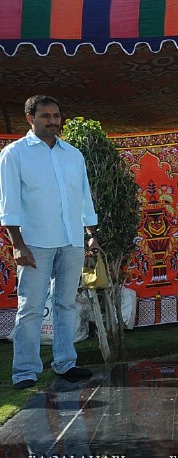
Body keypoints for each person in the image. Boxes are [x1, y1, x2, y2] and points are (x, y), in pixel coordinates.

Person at [0, 96, 98, 390]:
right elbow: (9, 204)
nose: (53, 121)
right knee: (30, 307)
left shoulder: (73, 154)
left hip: (71, 242)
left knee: (66, 304)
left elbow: (84, 198)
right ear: (30, 118)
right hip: (35, 243)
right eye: (45, 116)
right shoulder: (14, 154)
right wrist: (18, 244)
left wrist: (91, 234)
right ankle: (25, 371)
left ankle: (66, 363)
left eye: (56, 115)